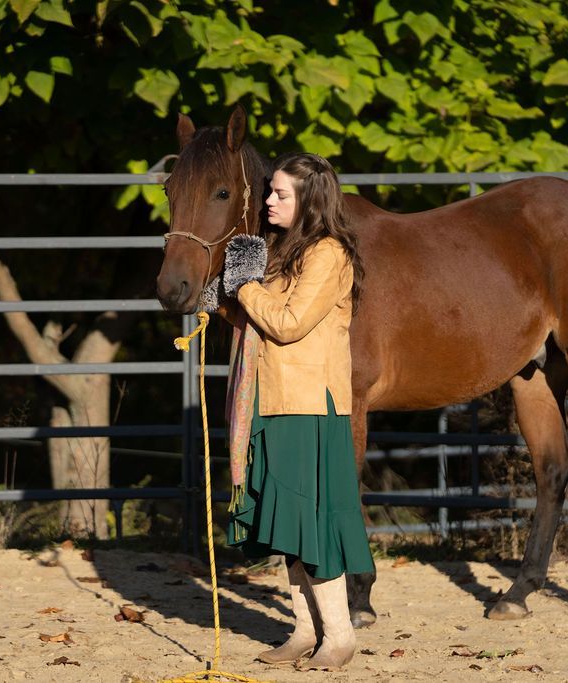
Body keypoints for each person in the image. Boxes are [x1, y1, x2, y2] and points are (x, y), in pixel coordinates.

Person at [216, 152, 373, 671]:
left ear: (310, 200)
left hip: (309, 404)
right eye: (270, 192)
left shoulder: (328, 254)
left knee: (312, 523)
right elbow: (259, 315)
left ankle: (341, 636)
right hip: (276, 398)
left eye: (281, 194)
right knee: (290, 521)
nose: (268, 201)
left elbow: (287, 323)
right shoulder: (284, 251)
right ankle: (306, 629)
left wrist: (243, 286)